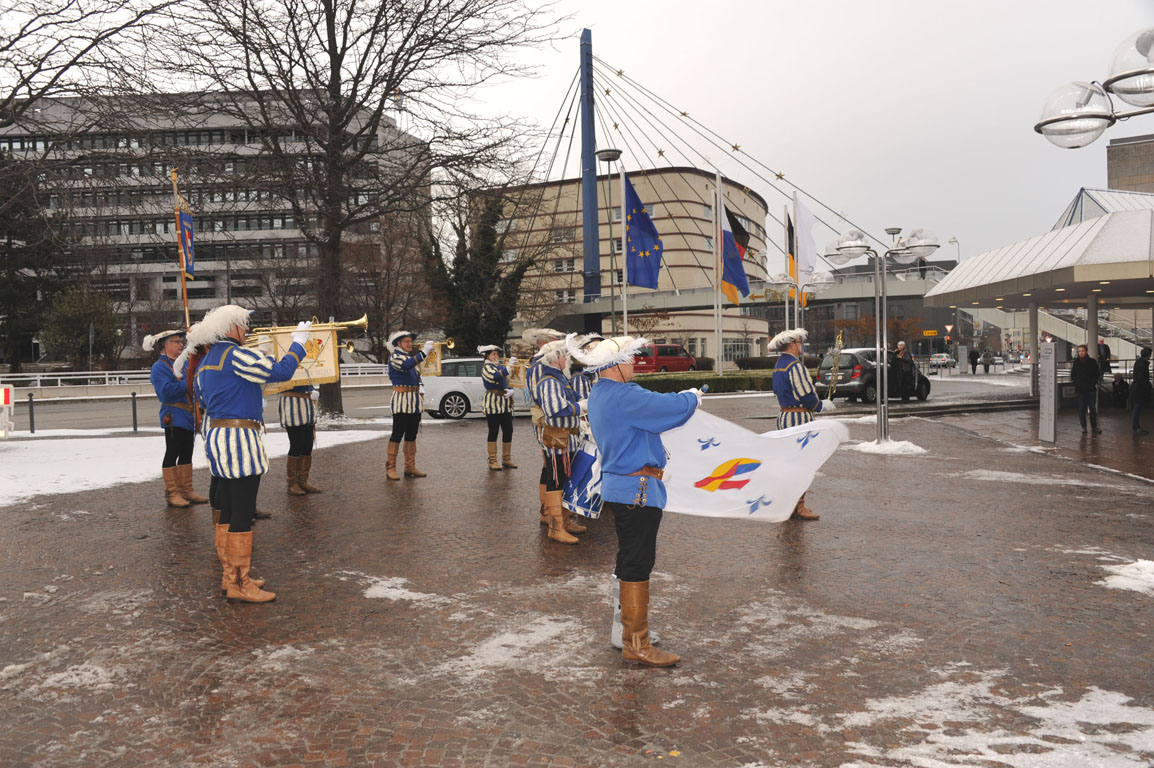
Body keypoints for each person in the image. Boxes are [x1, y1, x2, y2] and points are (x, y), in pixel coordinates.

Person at [571, 334, 699, 667]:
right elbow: (670, 409)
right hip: (637, 490)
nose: (634, 364)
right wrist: (692, 398)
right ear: (613, 365)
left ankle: (624, 632)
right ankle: (636, 642)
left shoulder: (601, 392)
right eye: (629, 359)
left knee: (628, 559)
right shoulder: (624, 395)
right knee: (637, 563)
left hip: (622, 488)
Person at [176, 304, 310, 603]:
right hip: (239, 439)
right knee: (242, 511)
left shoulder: (207, 360)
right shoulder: (234, 354)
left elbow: (204, 396)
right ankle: (239, 582)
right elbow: (280, 371)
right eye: (243, 325)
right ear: (230, 328)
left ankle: (230, 575)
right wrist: (298, 344)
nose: (247, 330)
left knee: (226, 506)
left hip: (219, 437)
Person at [770, 328, 835, 520]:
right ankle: (798, 506)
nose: (801, 346)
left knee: (788, 464)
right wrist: (821, 405)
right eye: (799, 343)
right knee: (802, 465)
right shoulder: (795, 366)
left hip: (784, 417)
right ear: (792, 344)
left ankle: (787, 504)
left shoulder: (778, 364)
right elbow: (806, 395)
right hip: (799, 419)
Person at [531, 338, 586, 544]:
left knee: (563, 478)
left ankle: (562, 520)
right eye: (564, 355)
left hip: (564, 438)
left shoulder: (558, 379)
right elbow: (555, 411)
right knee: (557, 480)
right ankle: (555, 527)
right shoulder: (550, 381)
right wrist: (581, 407)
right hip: (557, 439)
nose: (567, 359)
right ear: (555, 359)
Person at [146, 328, 208, 508]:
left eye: (181, 341)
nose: (181, 344)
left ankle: (186, 490)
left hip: (188, 415)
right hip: (174, 415)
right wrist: (188, 381)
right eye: (176, 341)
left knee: (187, 452)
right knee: (173, 452)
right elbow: (166, 392)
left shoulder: (185, 363)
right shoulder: (160, 367)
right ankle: (172, 493)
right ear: (165, 345)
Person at [522, 327, 566, 525]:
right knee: (552, 467)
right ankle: (550, 515)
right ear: (544, 343)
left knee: (550, 466)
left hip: (546, 419)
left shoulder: (538, 363)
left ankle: (549, 512)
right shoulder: (540, 364)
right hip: (547, 421)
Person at [385, 331, 435, 481]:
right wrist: (424, 352)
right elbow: (406, 366)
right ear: (398, 344)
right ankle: (390, 467)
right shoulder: (395, 356)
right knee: (397, 434)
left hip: (413, 401)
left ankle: (409, 466)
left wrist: (421, 386)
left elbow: (415, 373)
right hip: (402, 401)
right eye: (406, 341)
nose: (409, 343)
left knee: (411, 435)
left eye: (410, 341)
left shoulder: (409, 357)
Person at [478, 344, 517, 471]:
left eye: (497, 354)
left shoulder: (498, 366)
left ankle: (506, 459)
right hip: (492, 403)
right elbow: (496, 376)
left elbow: (507, 380)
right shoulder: (486, 367)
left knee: (508, 430)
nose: (496, 356)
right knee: (493, 431)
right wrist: (509, 367)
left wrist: (511, 390)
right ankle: (492, 460)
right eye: (493, 354)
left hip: (504, 403)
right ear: (487, 356)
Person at [279, 384, 322, 495]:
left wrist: (311, 390)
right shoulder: (285, 367)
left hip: (307, 411)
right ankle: (292, 483)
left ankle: (302, 481)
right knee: (296, 445)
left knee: (307, 446)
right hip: (293, 410)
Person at [1070, 344, 1101, 436]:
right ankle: (1084, 427)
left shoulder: (1092, 362)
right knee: (1081, 409)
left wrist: (1092, 383)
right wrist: (1076, 383)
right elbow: (1073, 375)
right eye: (1079, 351)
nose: (1081, 353)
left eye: (1082, 351)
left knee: (1092, 408)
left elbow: (1097, 374)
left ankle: (1094, 426)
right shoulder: (1076, 362)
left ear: (1086, 351)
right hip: (1080, 389)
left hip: (1090, 389)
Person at [1132, 347, 1151, 435]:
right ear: (1149, 355)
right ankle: (1136, 427)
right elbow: (1141, 378)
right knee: (1137, 408)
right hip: (1140, 389)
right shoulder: (1143, 364)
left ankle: (1136, 427)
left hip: (1137, 389)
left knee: (1137, 408)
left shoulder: (1139, 362)